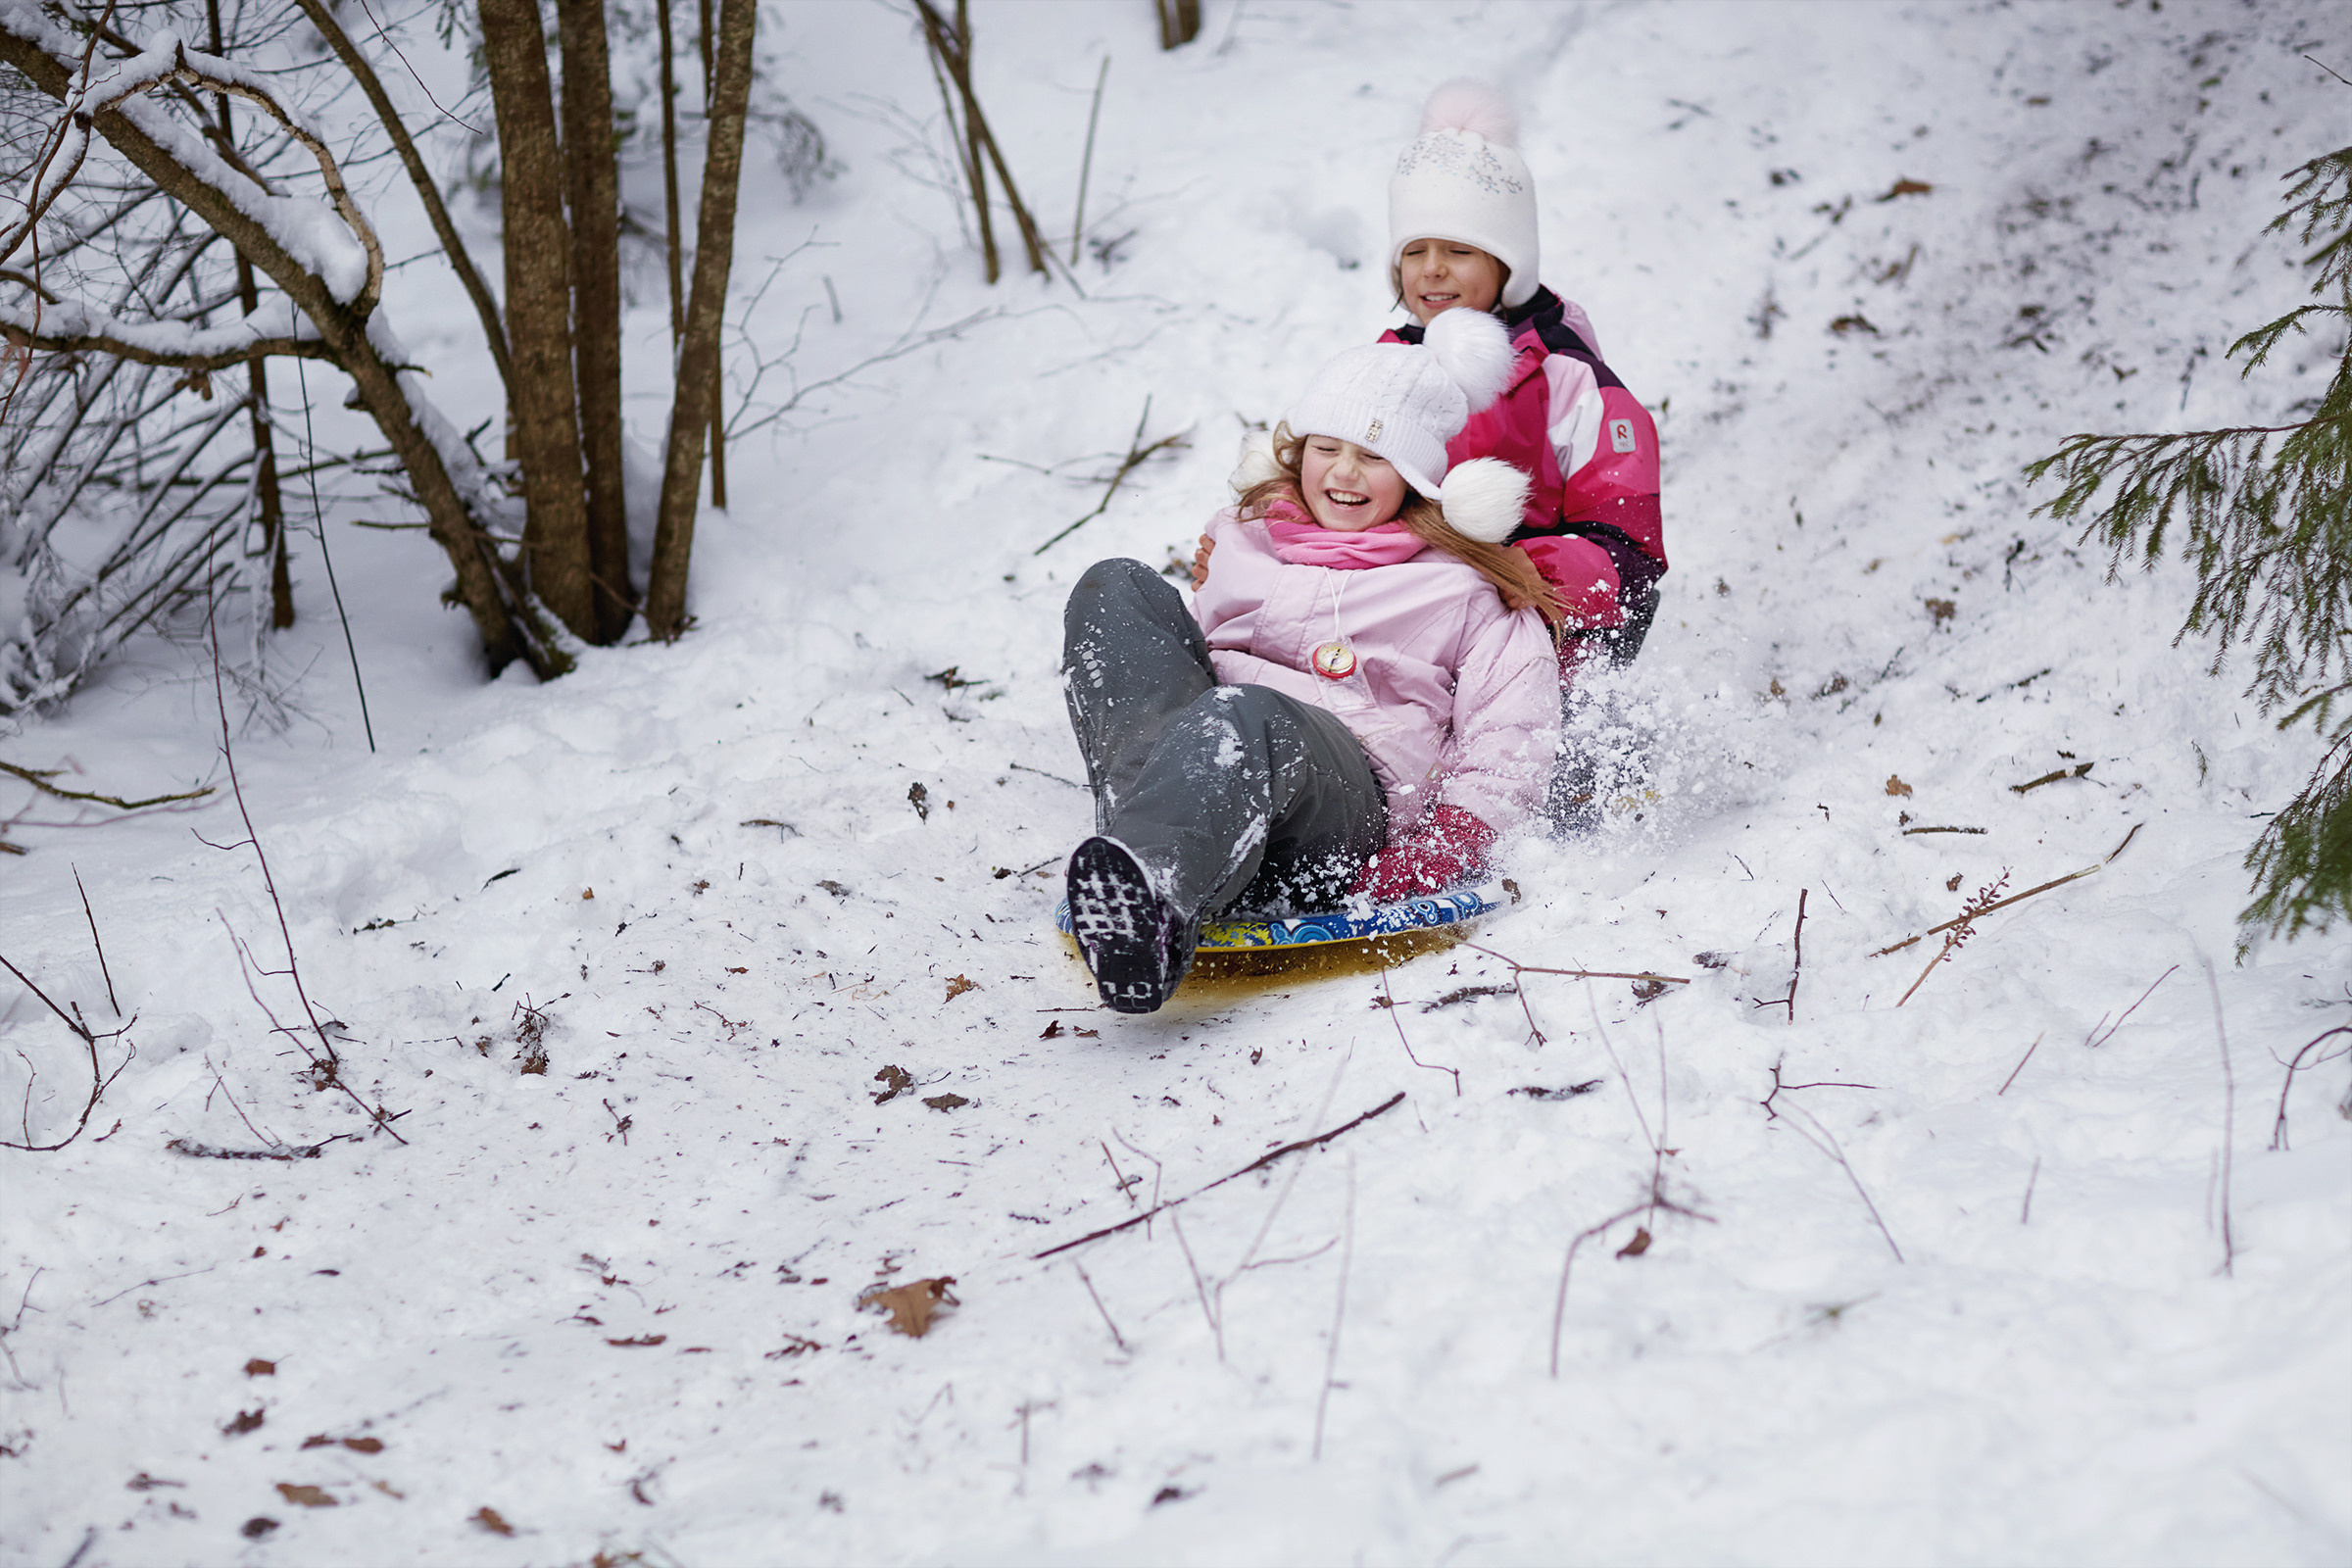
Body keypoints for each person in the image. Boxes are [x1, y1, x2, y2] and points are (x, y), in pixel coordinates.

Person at [1060, 309, 1562, 1014]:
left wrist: (1454, 838)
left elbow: (1514, 733)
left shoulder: (1463, 584)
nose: (1345, 473)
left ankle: (1163, 885)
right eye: (1328, 447)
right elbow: (1173, 675)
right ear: (1298, 454)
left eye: (1376, 457)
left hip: (1339, 807)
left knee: (1249, 715)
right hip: (1220, 758)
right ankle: (1147, 861)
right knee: (1116, 586)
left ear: (1418, 478)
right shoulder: (1245, 538)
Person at [1194, 80, 1666, 669]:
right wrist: (1249, 545)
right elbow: (1338, 489)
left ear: (1507, 264)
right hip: (1401, 624)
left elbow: (1633, 557)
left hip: (1528, 639)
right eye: (1415, 251)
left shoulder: (1573, 383)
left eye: (1460, 250)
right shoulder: (1386, 365)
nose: (1433, 269)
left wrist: (1532, 570)